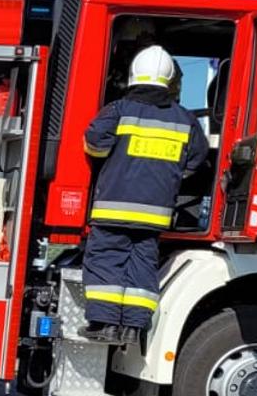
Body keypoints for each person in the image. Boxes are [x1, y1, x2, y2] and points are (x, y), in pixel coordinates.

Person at [80, 45, 206, 344]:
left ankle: (104, 325)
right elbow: (195, 162)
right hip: (155, 214)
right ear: (169, 80)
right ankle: (134, 328)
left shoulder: (119, 110)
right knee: (142, 266)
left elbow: (94, 143)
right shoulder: (185, 119)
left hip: (113, 209)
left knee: (106, 260)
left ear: (134, 75)